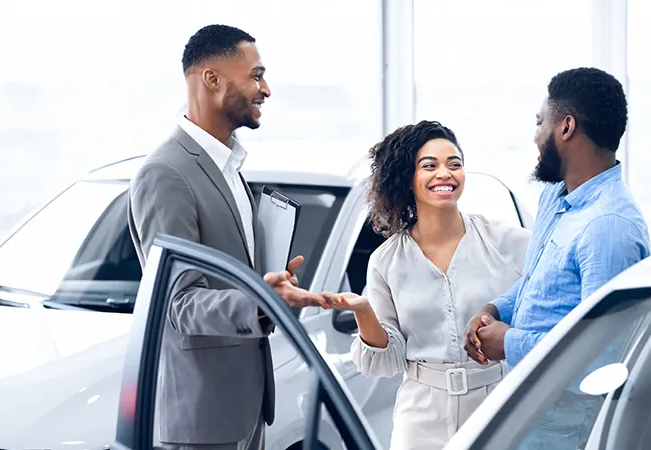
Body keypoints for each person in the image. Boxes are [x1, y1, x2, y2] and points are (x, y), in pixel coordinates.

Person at [127, 24, 327, 450]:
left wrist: (271, 285)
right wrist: (261, 301)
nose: (266, 89)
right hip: (202, 418)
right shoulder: (166, 173)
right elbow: (178, 303)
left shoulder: (229, 166)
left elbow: (229, 277)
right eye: (256, 75)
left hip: (244, 405)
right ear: (212, 79)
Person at [464, 67, 651, 449]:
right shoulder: (556, 197)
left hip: (567, 428)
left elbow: (602, 355)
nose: (535, 136)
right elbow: (539, 281)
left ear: (566, 127)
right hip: (525, 407)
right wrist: (495, 310)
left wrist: (510, 342)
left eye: (539, 122)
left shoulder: (609, 227)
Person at [323, 120, 531, 450]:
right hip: (420, 417)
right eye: (429, 166)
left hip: (497, 403)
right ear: (408, 178)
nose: (445, 174)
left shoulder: (509, 243)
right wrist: (363, 310)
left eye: (454, 164)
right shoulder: (386, 261)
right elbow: (389, 359)